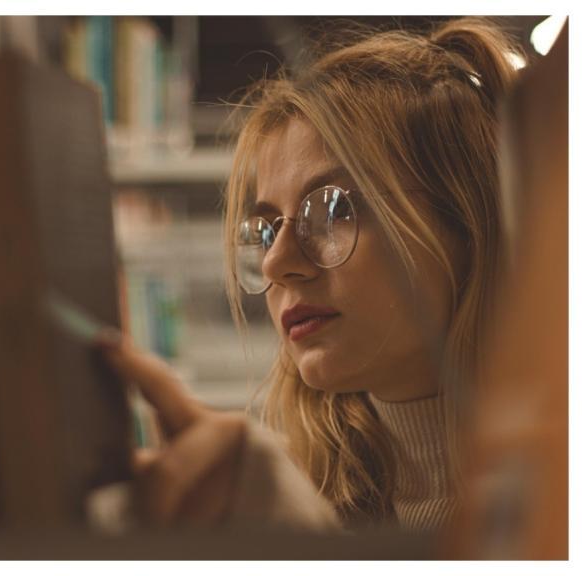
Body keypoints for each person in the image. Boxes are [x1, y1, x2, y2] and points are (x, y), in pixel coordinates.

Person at [97, 17, 523, 533]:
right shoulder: (298, 496)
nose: (276, 263)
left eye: (332, 210)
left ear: (471, 221)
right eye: (265, 229)